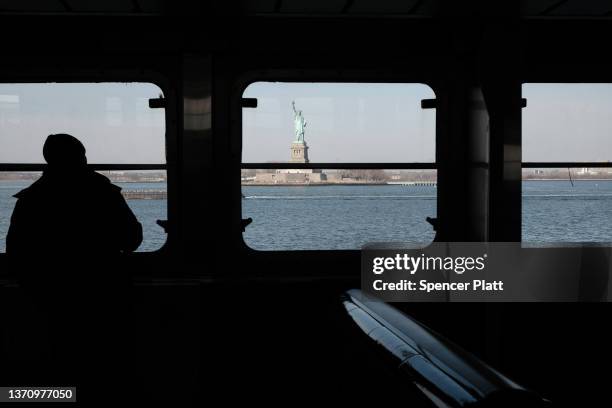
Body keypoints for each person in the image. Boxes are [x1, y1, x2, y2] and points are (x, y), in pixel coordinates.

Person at [6, 134, 142, 394]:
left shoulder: (31, 199)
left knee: (62, 364)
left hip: (52, 297)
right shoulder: (104, 192)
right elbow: (132, 239)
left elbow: (16, 253)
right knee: (110, 369)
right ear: (82, 157)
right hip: (106, 292)